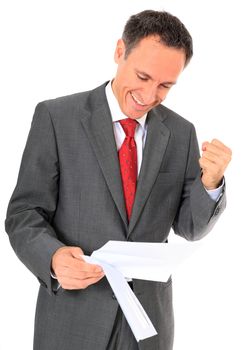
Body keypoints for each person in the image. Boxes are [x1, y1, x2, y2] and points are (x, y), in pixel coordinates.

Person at [5, 10, 232, 350]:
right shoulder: (57, 117)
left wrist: (211, 184)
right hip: (72, 318)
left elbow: (189, 226)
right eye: (143, 76)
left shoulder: (180, 133)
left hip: (147, 324)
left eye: (165, 85)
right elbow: (24, 213)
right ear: (119, 51)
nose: (150, 94)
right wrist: (51, 258)